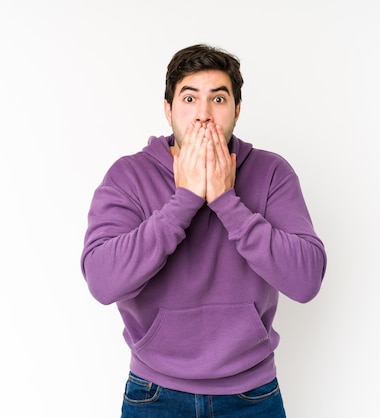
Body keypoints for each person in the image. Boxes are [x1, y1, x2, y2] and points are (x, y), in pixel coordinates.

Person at [80, 44, 327, 417]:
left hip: (252, 395)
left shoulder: (272, 172)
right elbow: (102, 281)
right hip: (154, 393)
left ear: (237, 110)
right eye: (190, 98)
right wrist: (185, 201)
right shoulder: (128, 176)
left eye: (219, 99)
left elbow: (306, 280)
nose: (204, 115)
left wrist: (227, 201)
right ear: (168, 110)